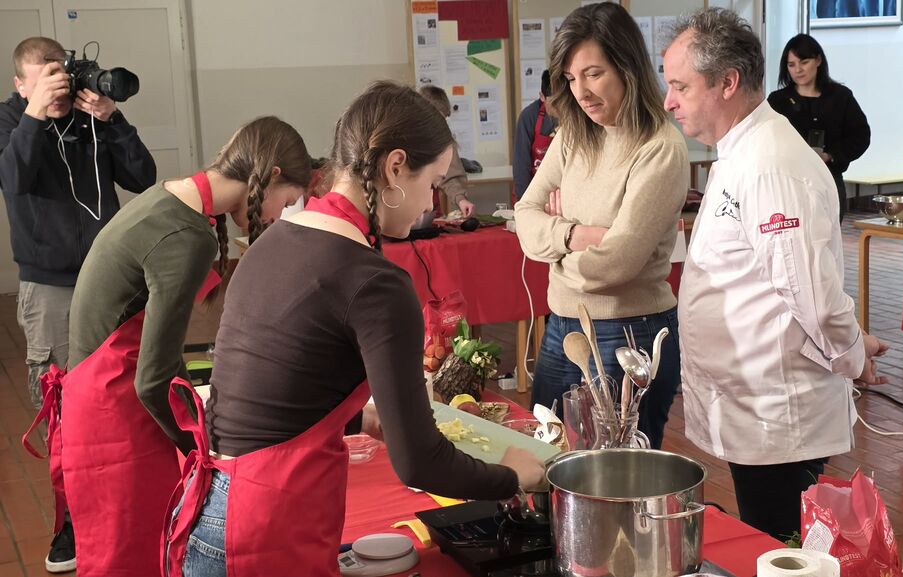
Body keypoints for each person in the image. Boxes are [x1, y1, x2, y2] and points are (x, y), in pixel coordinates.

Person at [163, 81, 544, 576]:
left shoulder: (273, 241)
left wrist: (357, 420)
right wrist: (510, 475)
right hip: (261, 528)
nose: (430, 203)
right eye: (432, 183)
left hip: (208, 509)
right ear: (395, 167)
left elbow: (274, 392)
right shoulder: (376, 282)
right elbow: (420, 462)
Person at [30, 116, 310, 577]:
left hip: (93, 402)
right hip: (115, 417)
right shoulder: (188, 236)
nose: (278, 215)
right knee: (135, 559)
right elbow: (153, 381)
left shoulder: (168, 197)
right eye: (285, 201)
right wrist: (201, 448)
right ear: (272, 174)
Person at [662, 8, 888, 540]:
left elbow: (813, 297)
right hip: (754, 406)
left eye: (680, 86)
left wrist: (853, 356)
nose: (669, 101)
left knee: (780, 551)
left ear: (727, 83)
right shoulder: (742, 151)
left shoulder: (771, 164)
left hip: (778, 414)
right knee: (766, 541)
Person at [0, 36, 156, 573]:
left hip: (112, 277)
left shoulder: (91, 116)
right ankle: (72, 521)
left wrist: (113, 119)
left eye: (61, 78)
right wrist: (34, 116)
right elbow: (13, 179)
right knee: (63, 405)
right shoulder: (11, 120)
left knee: (128, 391)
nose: (60, 90)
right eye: (45, 80)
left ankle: (136, 500)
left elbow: (143, 177)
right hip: (50, 287)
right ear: (21, 84)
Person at [514, 2, 687, 451]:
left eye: (593, 74)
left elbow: (616, 263)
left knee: (616, 477)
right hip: (561, 326)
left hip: (628, 332)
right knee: (543, 457)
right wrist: (575, 235)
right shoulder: (574, 135)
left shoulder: (660, 147)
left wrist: (555, 252)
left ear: (627, 67)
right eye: (571, 79)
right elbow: (525, 215)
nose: (582, 92)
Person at [768, 34, 870, 222]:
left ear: (818, 60)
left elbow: (860, 135)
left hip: (828, 179)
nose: (798, 70)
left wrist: (831, 155)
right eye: (791, 65)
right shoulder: (778, 101)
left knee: (828, 235)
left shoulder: (840, 97)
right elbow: (765, 139)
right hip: (788, 181)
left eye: (804, 62)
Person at [417, 85, 476, 217]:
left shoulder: (443, 137)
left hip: (430, 211)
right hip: (403, 211)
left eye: (443, 119)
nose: (439, 125)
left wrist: (461, 199)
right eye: (437, 119)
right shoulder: (402, 135)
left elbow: (450, 173)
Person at [513, 69, 557, 200]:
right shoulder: (529, 117)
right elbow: (521, 165)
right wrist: (525, 202)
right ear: (542, 97)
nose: (560, 108)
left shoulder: (573, 115)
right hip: (534, 192)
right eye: (554, 103)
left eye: (563, 101)